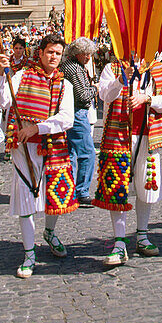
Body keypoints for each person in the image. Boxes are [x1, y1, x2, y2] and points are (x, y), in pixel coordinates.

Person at [0, 34, 77, 278]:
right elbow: (1, 101)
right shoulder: (21, 76)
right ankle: (29, 254)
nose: (53, 57)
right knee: (26, 198)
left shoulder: (65, 85)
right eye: (50, 52)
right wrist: (0, 75)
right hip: (23, 147)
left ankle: (49, 232)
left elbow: (66, 118)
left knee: (53, 196)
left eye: (58, 53)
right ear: (40, 53)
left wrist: (37, 128)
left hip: (52, 146)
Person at [93, 49, 162, 266]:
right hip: (118, 136)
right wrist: (121, 80)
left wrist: (147, 97)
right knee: (118, 187)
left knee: (145, 186)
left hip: (147, 136)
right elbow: (105, 95)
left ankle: (142, 234)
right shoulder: (111, 68)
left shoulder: (157, 70)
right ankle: (120, 242)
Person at [60, 38, 97, 205]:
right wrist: (95, 88)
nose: (89, 57)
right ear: (77, 54)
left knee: (71, 153)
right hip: (76, 113)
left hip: (71, 112)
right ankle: (81, 191)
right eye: (86, 54)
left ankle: (69, 188)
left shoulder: (69, 65)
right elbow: (82, 95)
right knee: (87, 152)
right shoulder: (75, 69)